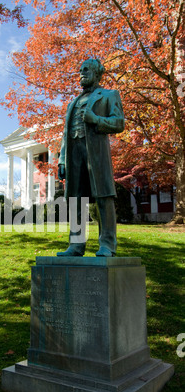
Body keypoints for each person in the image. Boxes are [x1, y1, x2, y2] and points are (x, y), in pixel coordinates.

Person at [57, 58, 125, 257]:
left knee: (104, 196)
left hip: (96, 152)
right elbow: (65, 133)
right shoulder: (73, 103)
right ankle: (76, 245)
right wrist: (62, 159)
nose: (81, 73)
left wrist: (96, 120)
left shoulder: (109, 95)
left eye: (86, 69)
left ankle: (107, 244)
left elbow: (119, 123)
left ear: (96, 73)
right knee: (76, 199)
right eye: (80, 70)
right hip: (74, 152)